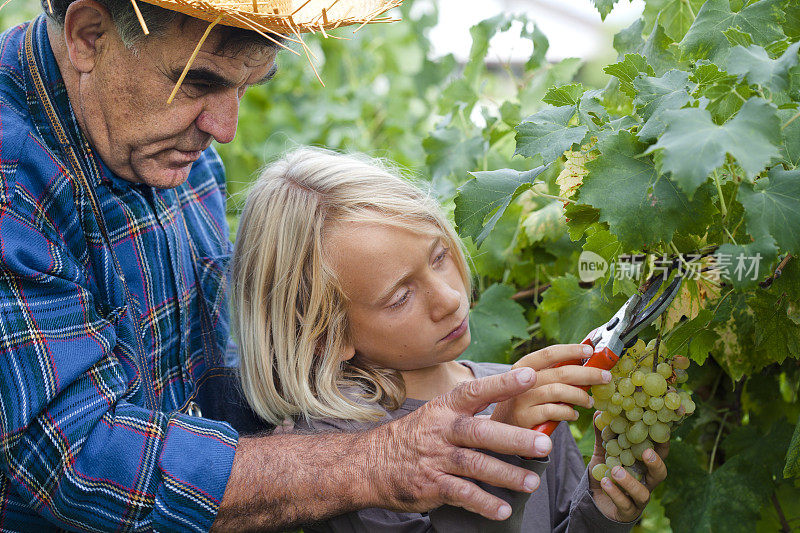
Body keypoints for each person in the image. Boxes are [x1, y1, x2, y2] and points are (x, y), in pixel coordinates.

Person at [0, 0, 598, 530]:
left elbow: (223, 375)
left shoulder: (173, 153)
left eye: (247, 86)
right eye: (197, 82)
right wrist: (372, 458)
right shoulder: (11, 179)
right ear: (89, 35)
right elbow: (67, 455)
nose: (225, 129)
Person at [231, 147, 670, 532]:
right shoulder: (343, 451)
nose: (448, 298)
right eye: (401, 297)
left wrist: (602, 511)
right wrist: (503, 449)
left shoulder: (517, 389)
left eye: (439, 256)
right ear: (325, 337)